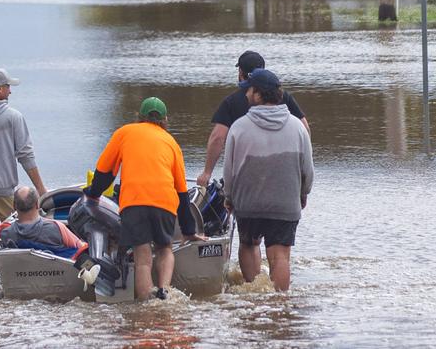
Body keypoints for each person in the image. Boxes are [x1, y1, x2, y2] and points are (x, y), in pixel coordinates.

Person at [84, 97, 206, 301]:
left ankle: (146, 303)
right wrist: (189, 231)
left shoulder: (125, 132)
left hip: (134, 203)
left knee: (142, 257)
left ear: (139, 117)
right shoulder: (171, 142)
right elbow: (182, 193)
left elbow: (105, 173)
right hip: (165, 203)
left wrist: (93, 194)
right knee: (165, 248)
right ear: (165, 120)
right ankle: (164, 290)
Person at [222, 68, 314, 291]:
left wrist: (229, 197)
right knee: (280, 255)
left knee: (248, 244)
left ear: (259, 94)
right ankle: (279, 304)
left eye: (249, 90)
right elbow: (307, 170)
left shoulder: (239, 127)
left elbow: (229, 170)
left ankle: (255, 295)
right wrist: (303, 194)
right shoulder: (298, 128)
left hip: (249, 203)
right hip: (285, 203)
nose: (245, 95)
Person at [196, 50, 310, 187]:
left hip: (247, 179)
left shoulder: (231, 102)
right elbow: (305, 128)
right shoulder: (283, 96)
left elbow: (217, 138)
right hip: (283, 177)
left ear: (241, 73)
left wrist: (207, 173)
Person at [0, 68, 47, 268]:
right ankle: (16, 279)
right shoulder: (13, 116)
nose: (10, 92)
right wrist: (41, 189)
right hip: (4, 189)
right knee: (20, 236)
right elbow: (25, 155)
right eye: (8, 87)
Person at [0, 186, 86, 258]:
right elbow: (81, 248)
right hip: (57, 272)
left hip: (21, 272)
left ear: (14, 206)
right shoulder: (57, 227)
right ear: (37, 204)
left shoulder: (6, 234)